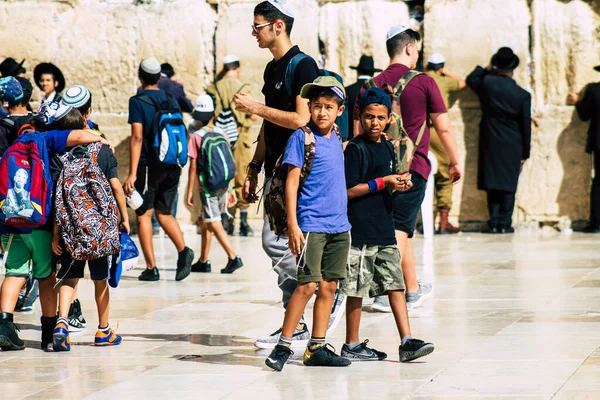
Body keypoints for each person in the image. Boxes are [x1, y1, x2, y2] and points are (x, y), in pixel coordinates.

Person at [235, 0, 346, 349]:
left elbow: (301, 119)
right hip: (275, 169)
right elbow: (270, 124)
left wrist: (254, 107)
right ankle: (296, 317)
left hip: (298, 168)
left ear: (278, 26)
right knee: (276, 242)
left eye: (258, 26)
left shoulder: (303, 65)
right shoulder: (272, 69)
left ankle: (323, 294)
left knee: (277, 242)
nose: (254, 33)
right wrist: (254, 167)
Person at [353, 26, 462, 312]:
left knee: (403, 226)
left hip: (376, 167)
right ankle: (383, 291)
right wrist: (454, 159)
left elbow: (356, 133)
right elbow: (444, 126)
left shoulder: (370, 85)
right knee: (401, 225)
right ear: (410, 49)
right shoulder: (424, 82)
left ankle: (411, 289)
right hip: (413, 167)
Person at [0, 100, 113, 352]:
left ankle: (4, 324)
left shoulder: (18, 143)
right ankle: (50, 332)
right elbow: (82, 134)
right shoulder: (49, 139)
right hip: (41, 222)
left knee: (14, 272)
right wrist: (101, 140)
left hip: (15, 222)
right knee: (45, 275)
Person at [264, 76, 351, 371]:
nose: (321, 112)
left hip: (340, 225)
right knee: (306, 285)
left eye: (328, 106)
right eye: (316, 106)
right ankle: (284, 346)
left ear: (339, 110)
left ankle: (317, 347)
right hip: (311, 223)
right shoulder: (302, 137)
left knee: (329, 286)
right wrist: (294, 224)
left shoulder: (337, 135)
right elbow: (291, 182)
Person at [341, 87, 434, 362]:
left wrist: (399, 183)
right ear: (360, 116)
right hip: (359, 231)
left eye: (381, 118)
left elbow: (387, 183)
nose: (375, 123)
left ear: (389, 119)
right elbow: (347, 191)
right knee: (356, 289)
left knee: (395, 284)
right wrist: (384, 182)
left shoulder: (387, 147)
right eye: (370, 117)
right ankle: (352, 343)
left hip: (384, 227)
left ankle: (406, 341)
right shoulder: (355, 149)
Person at [50, 107, 129, 351]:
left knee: (68, 277)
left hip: (71, 230)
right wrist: (124, 218)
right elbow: (116, 188)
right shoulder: (103, 151)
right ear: (85, 121)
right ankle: (104, 330)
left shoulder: (60, 155)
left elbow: (59, 198)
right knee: (100, 279)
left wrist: (56, 233)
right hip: (99, 230)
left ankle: (62, 324)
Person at [124, 57, 194, 282]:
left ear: (140, 76)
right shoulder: (170, 98)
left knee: (144, 213)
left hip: (149, 164)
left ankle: (151, 268)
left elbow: (137, 137)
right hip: (173, 162)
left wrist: (133, 173)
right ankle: (184, 250)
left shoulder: (138, 101)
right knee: (164, 212)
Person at [466, 47, 531, 234]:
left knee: (492, 182)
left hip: (491, 138)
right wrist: (525, 152)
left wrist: (487, 68)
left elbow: (472, 79)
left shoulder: (487, 84)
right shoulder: (522, 94)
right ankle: (505, 223)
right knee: (509, 183)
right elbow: (525, 126)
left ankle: (493, 222)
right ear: (513, 68)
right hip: (514, 142)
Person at [186, 94, 244, 274]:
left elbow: (193, 167)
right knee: (207, 221)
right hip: (224, 184)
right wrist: (232, 188)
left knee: (212, 220)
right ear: (213, 114)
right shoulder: (222, 133)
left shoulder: (196, 136)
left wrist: (189, 193)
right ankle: (203, 260)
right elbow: (230, 161)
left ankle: (233, 257)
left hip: (208, 187)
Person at [206, 55, 257, 237]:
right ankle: (243, 222)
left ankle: (226, 221)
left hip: (220, 140)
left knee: (223, 177)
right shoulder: (244, 88)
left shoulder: (213, 88)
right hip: (241, 137)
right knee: (243, 177)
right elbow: (253, 116)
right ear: (238, 68)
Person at [425, 53, 466, 234]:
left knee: (423, 171)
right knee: (445, 173)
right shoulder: (445, 81)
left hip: (421, 130)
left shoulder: (421, 79)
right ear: (440, 66)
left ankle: (426, 220)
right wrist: (445, 72)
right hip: (438, 130)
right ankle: (443, 220)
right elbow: (463, 83)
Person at [568, 66, 600, 233]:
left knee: (599, 183)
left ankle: (596, 223)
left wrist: (577, 102)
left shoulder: (594, 89)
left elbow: (584, 115)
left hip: (599, 143)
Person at [345, 55, 381, 139]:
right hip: (372, 139)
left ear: (358, 72)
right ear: (373, 74)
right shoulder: (378, 93)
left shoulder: (347, 91)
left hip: (350, 139)